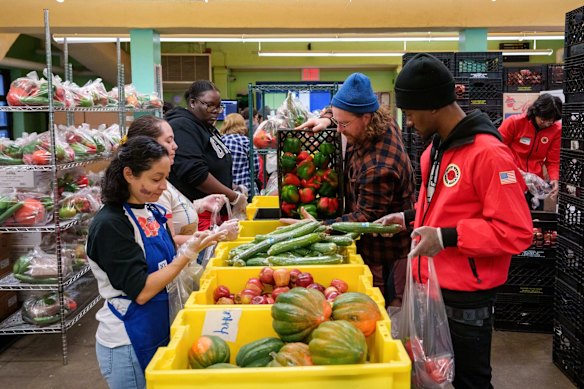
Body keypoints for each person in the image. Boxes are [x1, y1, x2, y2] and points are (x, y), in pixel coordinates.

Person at [376, 53, 533, 389]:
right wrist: (406, 218)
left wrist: (446, 238)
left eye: (411, 112)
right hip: (431, 288)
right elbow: (442, 207)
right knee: (433, 377)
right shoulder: (434, 151)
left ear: (433, 105)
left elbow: (517, 232)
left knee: (469, 381)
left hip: (467, 300)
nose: (409, 121)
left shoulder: (488, 154)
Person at [87, 136, 227, 389]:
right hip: (127, 339)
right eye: (155, 179)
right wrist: (186, 254)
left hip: (158, 325)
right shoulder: (111, 225)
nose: (164, 187)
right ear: (129, 174)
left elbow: (166, 251)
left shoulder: (151, 211)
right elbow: (141, 291)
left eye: (166, 177)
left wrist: (202, 240)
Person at [295, 72, 416, 306]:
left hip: (383, 249)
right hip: (371, 241)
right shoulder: (376, 118)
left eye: (344, 124)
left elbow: (366, 217)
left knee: (380, 301)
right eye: (337, 122)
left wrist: (318, 227)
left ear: (367, 118)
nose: (339, 130)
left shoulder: (379, 166)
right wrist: (327, 119)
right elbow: (342, 111)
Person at [126, 115, 239, 245]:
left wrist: (199, 205)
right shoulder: (152, 191)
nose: (175, 146)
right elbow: (168, 239)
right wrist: (216, 234)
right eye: (168, 141)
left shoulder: (161, 184)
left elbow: (173, 216)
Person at [165, 80, 247, 230]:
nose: (216, 111)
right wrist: (233, 196)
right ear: (192, 103)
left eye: (218, 106)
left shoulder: (207, 127)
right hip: (198, 213)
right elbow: (195, 173)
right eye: (210, 105)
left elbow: (214, 163)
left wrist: (233, 187)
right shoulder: (182, 126)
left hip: (215, 211)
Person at [498, 93, 562, 208]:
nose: (547, 124)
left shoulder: (556, 130)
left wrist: (554, 178)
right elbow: (497, 149)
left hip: (535, 183)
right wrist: (512, 167)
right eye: (543, 119)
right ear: (535, 111)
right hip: (511, 176)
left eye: (551, 121)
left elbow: (553, 160)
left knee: (535, 220)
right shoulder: (514, 122)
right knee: (511, 215)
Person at [219, 113, 261, 195]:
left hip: (225, 190)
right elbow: (255, 168)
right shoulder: (246, 142)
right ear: (242, 125)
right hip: (246, 190)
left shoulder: (219, 141)